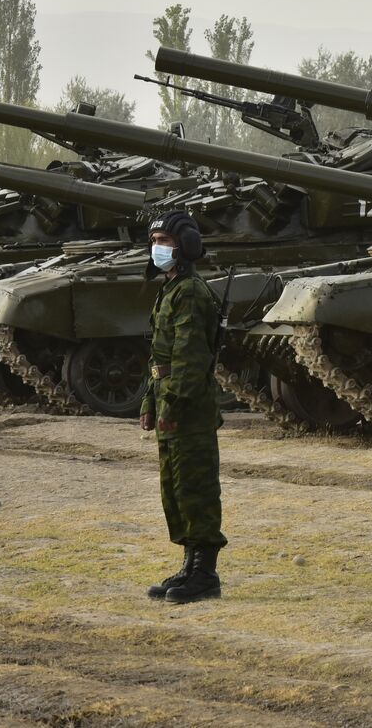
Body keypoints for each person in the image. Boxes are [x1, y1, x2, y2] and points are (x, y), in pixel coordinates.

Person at [139, 210, 227, 603]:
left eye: (166, 241)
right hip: (167, 401)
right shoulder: (171, 289)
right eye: (155, 240)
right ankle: (191, 565)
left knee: (196, 486)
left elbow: (189, 359)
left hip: (187, 406)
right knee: (175, 487)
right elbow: (159, 355)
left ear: (186, 246)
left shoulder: (190, 292)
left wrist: (171, 405)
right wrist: (149, 399)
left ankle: (205, 575)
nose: (158, 248)